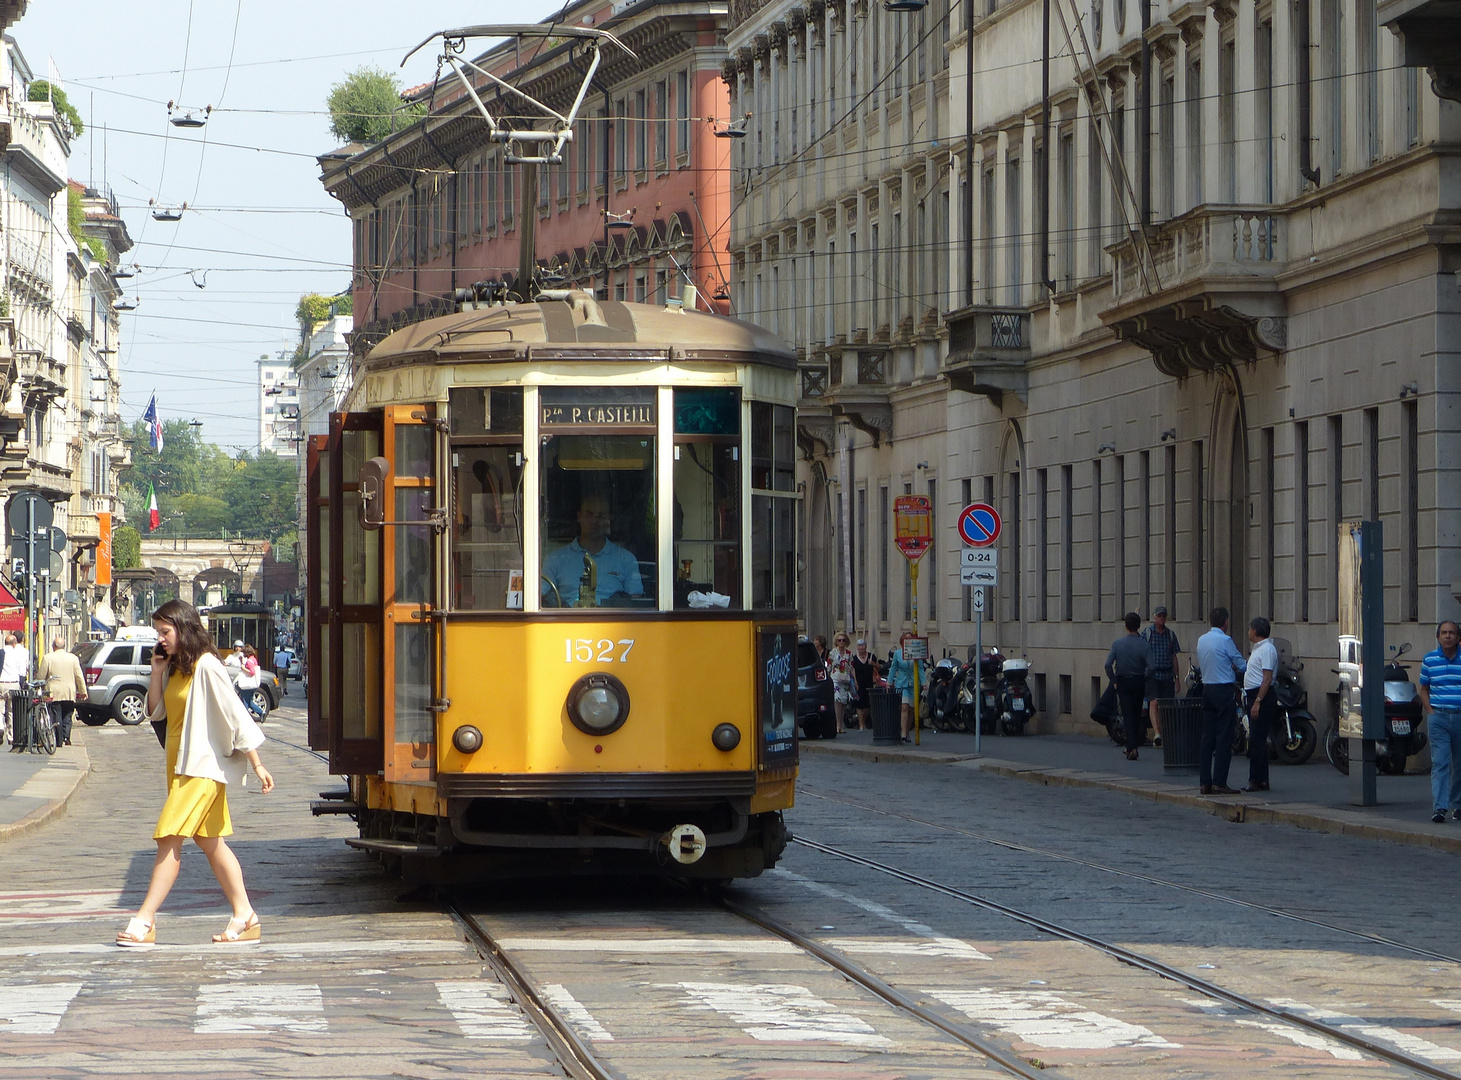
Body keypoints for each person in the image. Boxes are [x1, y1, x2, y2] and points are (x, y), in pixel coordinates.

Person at [115, 599, 273, 948]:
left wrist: (257, 763)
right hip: (180, 767)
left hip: (201, 768)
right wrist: (157, 671)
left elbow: (236, 714)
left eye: (165, 631)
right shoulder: (177, 667)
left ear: (183, 629)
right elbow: (154, 711)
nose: (161, 639)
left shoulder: (206, 666)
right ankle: (245, 915)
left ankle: (144, 920)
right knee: (210, 841)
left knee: (169, 837)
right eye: (158, 632)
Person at [541, 493, 643, 606]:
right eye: (589, 514)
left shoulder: (626, 559)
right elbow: (539, 597)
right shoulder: (555, 559)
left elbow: (635, 602)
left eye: (601, 516)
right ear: (579, 517)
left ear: (609, 519)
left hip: (612, 621)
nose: (595, 520)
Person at [1194, 607, 1246, 795]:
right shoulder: (1225, 640)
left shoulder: (1202, 640)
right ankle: (1219, 781)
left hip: (1207, 688)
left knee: (1207, 738)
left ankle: (1204, 782)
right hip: (1224, 689)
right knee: (1224, 737)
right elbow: (1241, 664)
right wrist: (1235, 667)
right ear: (1225, 622)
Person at [1418, 620, 1461, 824]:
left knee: (1459, 764)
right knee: (1440, 762)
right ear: (1438, 637)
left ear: (1458, 637)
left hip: (1459, 715)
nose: (1448, 636)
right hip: (1439, 717)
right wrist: (1430, 711)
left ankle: (1458, 805)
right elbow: (1424, 689)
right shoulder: (1430, 660)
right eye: (1444, 632)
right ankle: (1440, 808)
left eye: (1452, 633)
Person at [1105, 612, 1152, 760]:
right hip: (1139, 681)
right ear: (1138, 626)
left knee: (1127, 714)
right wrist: (1145, 677)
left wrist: (1114, 680)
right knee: (1137, 714)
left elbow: (1107, 665)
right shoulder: (1144, 644)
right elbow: (1152, 667)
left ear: (1126, 626)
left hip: (1123, 681)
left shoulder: (1117, 644)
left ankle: (1132, 747)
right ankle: (1132, 746)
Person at [1241, 617, 1279, 793]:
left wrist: (1258, 701)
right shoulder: (1259, 649)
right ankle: (1262, 779)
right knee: (1257, 739)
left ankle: (1255, 779)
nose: (1248, 632)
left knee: (1257, 739)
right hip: (1253, 694)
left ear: (1255, 631)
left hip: (1260, 695)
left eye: (1249, 629)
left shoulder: (1267, 650)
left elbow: (1267, 678)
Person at [1142, 606, 1182, 747]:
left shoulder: (1170, 635)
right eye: (1159, 616)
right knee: (1154, 702)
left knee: (1167, 705)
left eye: (1164, 616)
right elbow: (1141, 653)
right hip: (1152, 674)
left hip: (1167, 674)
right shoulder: (1147, 633)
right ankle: (1157, 734)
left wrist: (1177, 678)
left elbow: (1174, 657)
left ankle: (1165, 734)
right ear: (1154, 617)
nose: (1162, 618)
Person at [38, 637, 87, 747]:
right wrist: (83, 690)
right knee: (68, 715)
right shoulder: (73, 658)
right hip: (69, 692)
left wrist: (38, 688)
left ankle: (58, 739)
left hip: (53, 692)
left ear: (53, 646)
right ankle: (66, 737)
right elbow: (79, 676)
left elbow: (41, 677)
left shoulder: (48, 658)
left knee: (56, 715)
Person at [2, 632, 31, 749]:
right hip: (14, 683)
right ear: (15, 643)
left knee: (0, 709)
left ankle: (0, 727)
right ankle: (11, 736)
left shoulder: (1, 653)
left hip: (1, 683)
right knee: (12, 711)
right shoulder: (21, 653)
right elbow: (22, 671)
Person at [888, 636, 916, 741]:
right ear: (902, 642)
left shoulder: (915, 653)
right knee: (904, 707)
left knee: (911, 709)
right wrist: (889, 682)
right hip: (901, 683)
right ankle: (903, 733)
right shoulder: (898, 654)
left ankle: (907, 731)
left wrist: (923, 682)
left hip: (912, 684)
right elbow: (893, 668)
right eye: (906, 640)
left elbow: (921, 669)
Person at [828, 633, 854, 734]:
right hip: (835, 679)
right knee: (837, 700)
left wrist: (855, 680)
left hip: (845, 679)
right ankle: (837, 725)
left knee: (843, 702)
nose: (841, 642)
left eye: (843, 640)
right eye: (839, 640)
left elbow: (852, 667)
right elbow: (829, 666)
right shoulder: (833, 653)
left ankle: (840, 724)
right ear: (836, 642)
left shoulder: (849, 653)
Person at [234, 645, 267, 723]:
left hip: (247, 686)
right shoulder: (254, 659)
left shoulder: (249, 661)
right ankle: (261, 712)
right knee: (249, 702)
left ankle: (245, 719)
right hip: (252, 685)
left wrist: (243, 668)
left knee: (245, 701)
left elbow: (252, 672)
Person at [850, 639, 878, 731]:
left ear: (866, 646)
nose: (861, 647)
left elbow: (878, 666)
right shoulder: (854, 658)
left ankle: (863, 720)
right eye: (859, 646)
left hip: (869, 682)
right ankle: (861, 725)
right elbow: (853, 670)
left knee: (867, 705)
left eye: (863, 645)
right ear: (857, 648)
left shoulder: (871, 656)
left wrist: (872, 663)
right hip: (859, 683)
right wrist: (855, 681)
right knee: (859, 704)